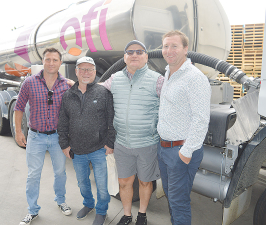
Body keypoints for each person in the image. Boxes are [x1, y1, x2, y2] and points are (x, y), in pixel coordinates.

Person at [101, 40, 163, 225]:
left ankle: (142, 215)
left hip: (147, 143)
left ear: (146, 56)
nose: (134, 55)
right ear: (124, 57)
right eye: (130, 52)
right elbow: (96, 93)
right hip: (122, 143)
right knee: (124, 182)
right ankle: (127, 215)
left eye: (139, 51)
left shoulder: (158, 80)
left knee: (145, 182)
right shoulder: (114, 78)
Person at [157, 30, 211, 225]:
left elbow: (201, 119)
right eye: (165, 46)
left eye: (174, 46)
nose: (169, 50)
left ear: (185, 49)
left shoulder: (194, 78)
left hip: (180, 150)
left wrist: (186, 152)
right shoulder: (169, 73)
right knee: (172, 199)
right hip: (164, 149)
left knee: (179, 203)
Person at [14, 48, 72, 225]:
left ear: (60, 63)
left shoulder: (66, 84)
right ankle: (32, 210)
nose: (51, 63)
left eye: (55, 60)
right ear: (43, 61)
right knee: (33, 174)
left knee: (60, 172)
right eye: (48, 59)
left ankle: (60, 201)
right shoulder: (30, 82)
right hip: (35, 137)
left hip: (57, 137)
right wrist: (18, 131)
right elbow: (19, 107)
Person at [58, 56, 115, 225]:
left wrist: (110, 143)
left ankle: (102, 211)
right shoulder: (68, 95)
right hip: (77, 149)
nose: (85, 72)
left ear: (95, 72)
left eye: (89, 69)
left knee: (102, 185)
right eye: (81, 69)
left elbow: (112, 119)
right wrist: (64, 144)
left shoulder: (103, 93)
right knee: (82, 183)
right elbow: (62, 122)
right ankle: (88, 204)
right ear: (76, 72)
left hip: (99, 149)